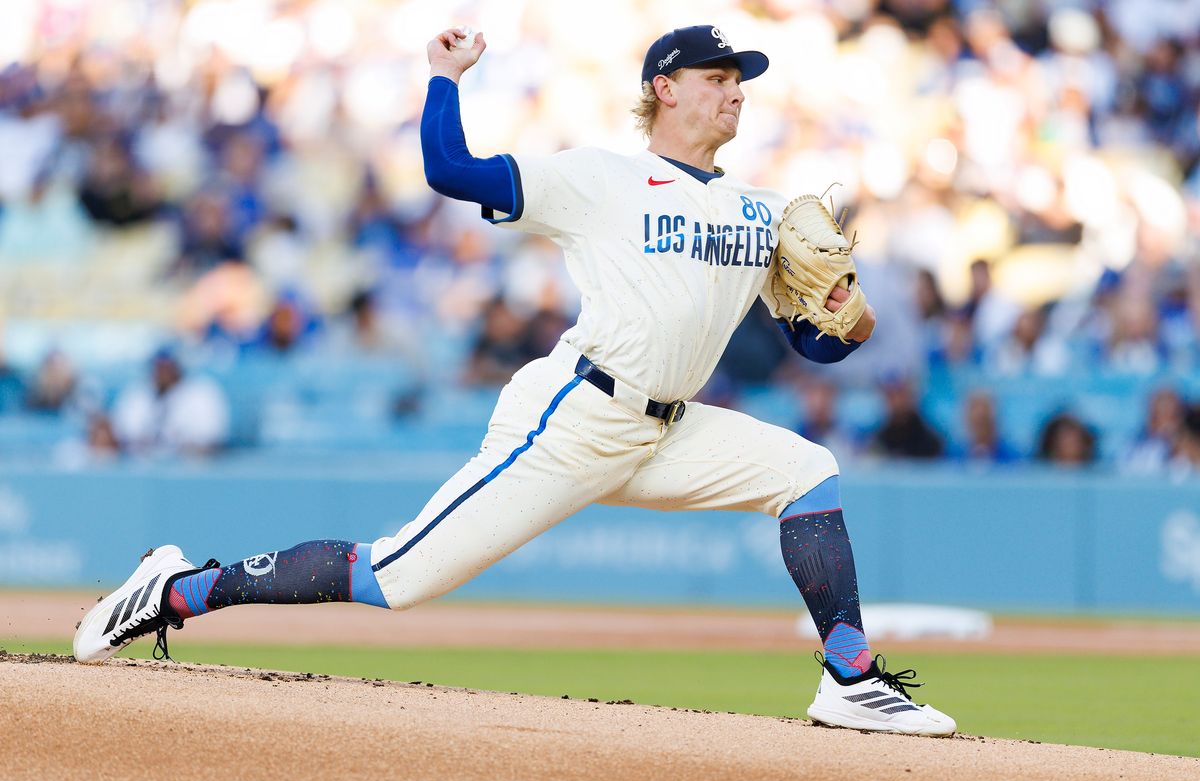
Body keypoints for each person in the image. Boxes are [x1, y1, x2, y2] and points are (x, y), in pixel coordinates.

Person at [74, 25, 954, 737]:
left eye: (741, 78)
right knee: (397, 577)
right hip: (575, 416)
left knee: (806, 471)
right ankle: (179, 588)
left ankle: (852, 679)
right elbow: (448, 171)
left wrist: (850, 316)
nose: (736, 91)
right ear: (666, 87)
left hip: (671, 429)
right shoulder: (599, 177)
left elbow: (815, 346)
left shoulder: (761, 209)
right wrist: (444, 77)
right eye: (719, 75)